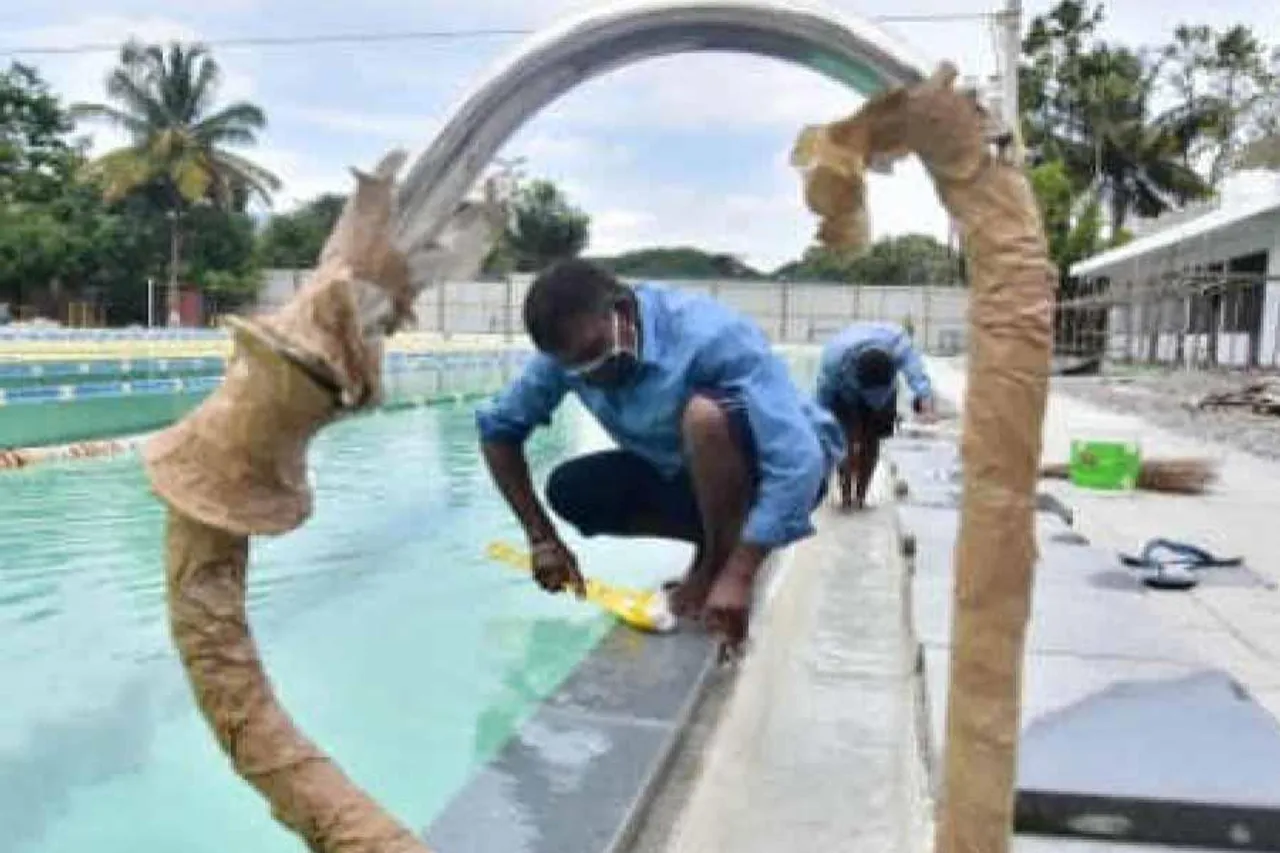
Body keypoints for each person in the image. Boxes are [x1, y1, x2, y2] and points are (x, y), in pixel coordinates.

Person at [476, 259, 843, 652]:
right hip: (689, 474)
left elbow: (798, 461)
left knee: (704, 418)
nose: (591, 375)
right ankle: (714, 548)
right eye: (575, 368)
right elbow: (498, 430)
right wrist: (541, 539)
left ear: (622, 311)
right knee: (573, 490)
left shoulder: (711, 336)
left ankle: (719, 565)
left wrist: (740, 572)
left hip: (778, 473)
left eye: (595, 353)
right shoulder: (568, 355)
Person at [815, 321, 936, 510]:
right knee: (845, 440)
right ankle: (846, 497)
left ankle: (860, 498)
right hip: (846, 390)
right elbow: (822, 401)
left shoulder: (899, 346)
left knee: (872, 439)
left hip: (885, 389)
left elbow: (916, 373)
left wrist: (925, 399)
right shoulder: (834, 360)